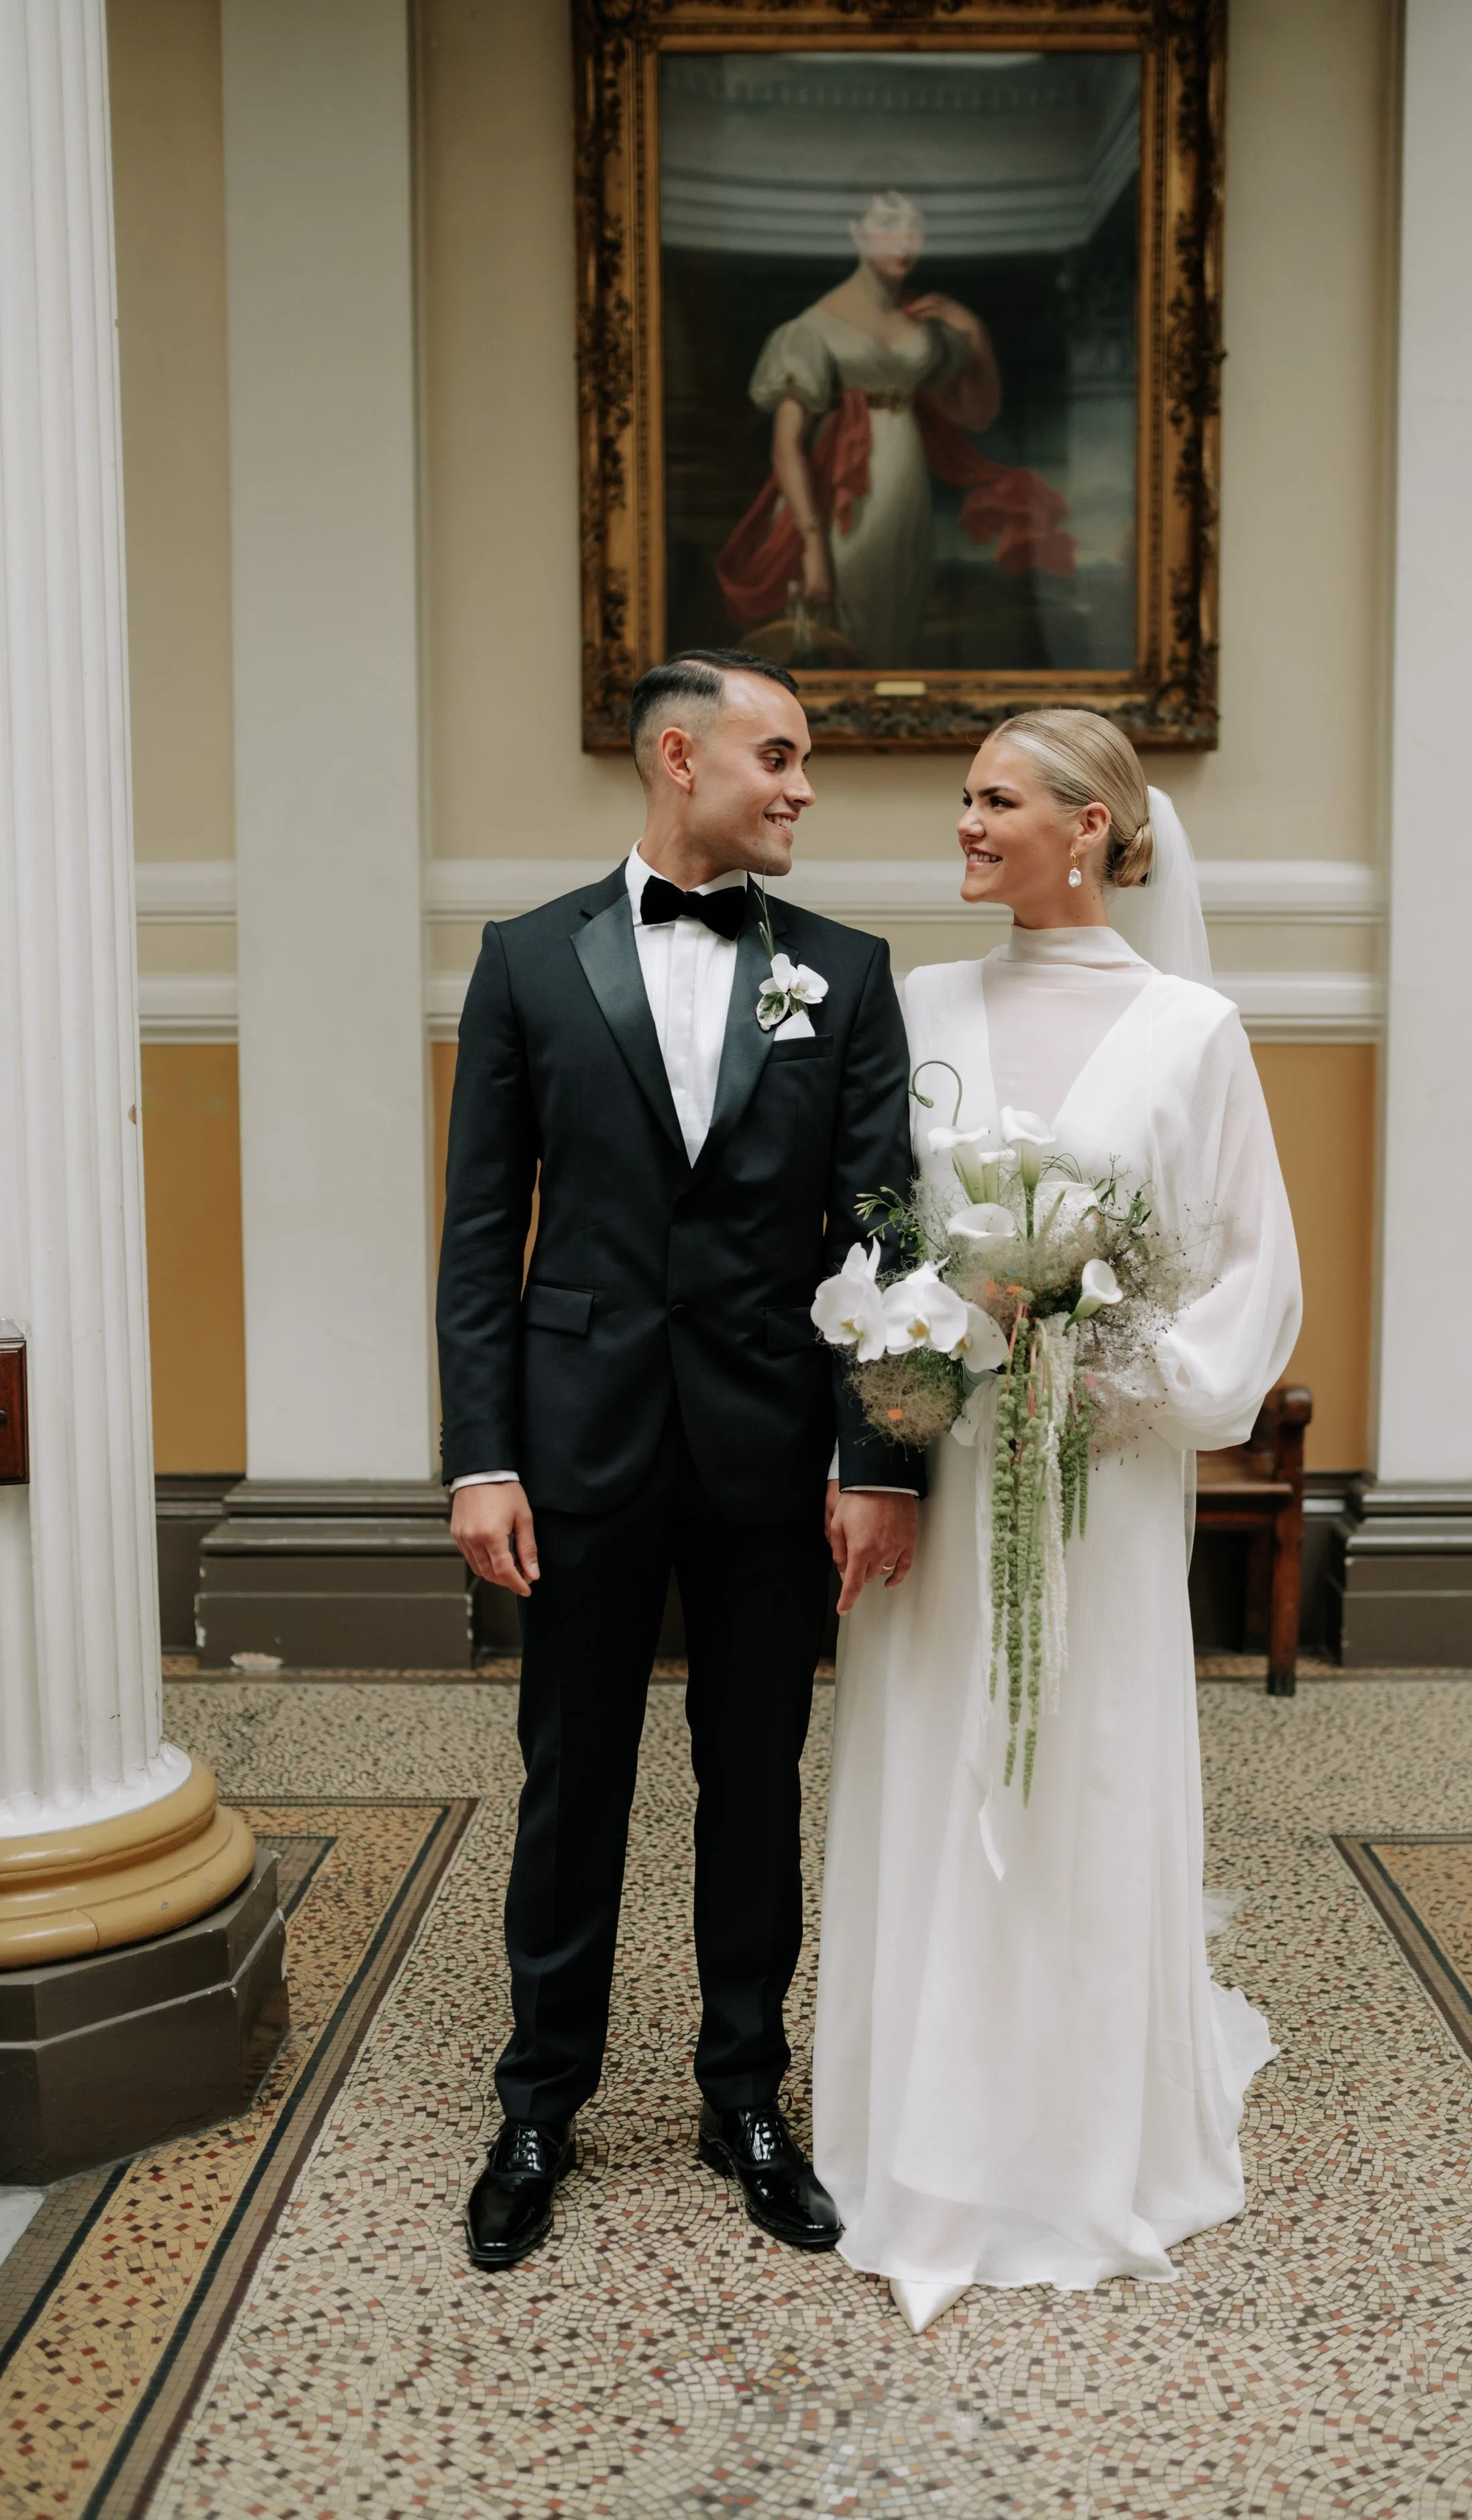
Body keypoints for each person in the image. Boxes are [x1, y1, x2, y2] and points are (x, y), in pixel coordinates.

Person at [812, 710, 1302, 2333]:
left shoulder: (1190, 1028)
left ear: (1090, 827)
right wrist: (887, 1435)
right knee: (932, 1755)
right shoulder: (914, 1002)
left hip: (1093, 1473)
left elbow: (1249, 1275)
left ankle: (1081, 2128)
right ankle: (927, 2128)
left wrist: (1100, 1355)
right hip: (936, 1472)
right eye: (963, 796)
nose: (962, 822)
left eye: (995, 799)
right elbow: (876, 1231)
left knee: (1074, 1756)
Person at [438, 651, 925, 2271]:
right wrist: (480, 1456)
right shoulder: (523, 961)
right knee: (571, 1778)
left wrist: (882, 1457)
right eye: (776, 755)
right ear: (677, 755)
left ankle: (746, 2096)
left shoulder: (845, 975)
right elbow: (478, 1239)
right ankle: (538, 2102)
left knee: (754, 1779)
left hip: (767, 1449)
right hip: (572, 1445)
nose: (800, 787)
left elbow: (884, 1229)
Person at [715, 191, 1074, 666]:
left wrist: (974, 333)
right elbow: (786, 447)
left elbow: (976, 416)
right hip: (841, 497)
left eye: (914, 227)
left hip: (907, 485)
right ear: (857, 232)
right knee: (848, 617)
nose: (904, 240)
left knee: (898, 612)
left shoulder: (924, 323)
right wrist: (813, 544)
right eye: (887, 224)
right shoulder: (813, 328)